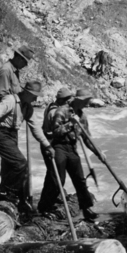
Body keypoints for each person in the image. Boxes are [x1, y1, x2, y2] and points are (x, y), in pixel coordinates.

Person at [0, 72, 53, 214]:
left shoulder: (28, 108)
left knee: (10, 167)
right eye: (34, 95)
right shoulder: (10, 100)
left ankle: (20, 201)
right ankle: (6, 192)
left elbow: (35, 128)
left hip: (12, 135)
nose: (36, 98)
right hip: (1, 133)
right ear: (27, 92)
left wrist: (47, 145)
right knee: (20, 163)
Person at [38, 87, 100, 222]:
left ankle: (86, 208)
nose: (88, 105)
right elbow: (55, 132)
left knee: (80, 179)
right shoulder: (61, 111)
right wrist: (70, 124)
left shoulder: (82, 116)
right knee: (57, 179)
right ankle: (44, 207)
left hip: (72, 148)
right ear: (79, 100)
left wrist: (98, 152)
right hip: (58, 146)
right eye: (86, 101)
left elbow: (87, 138)